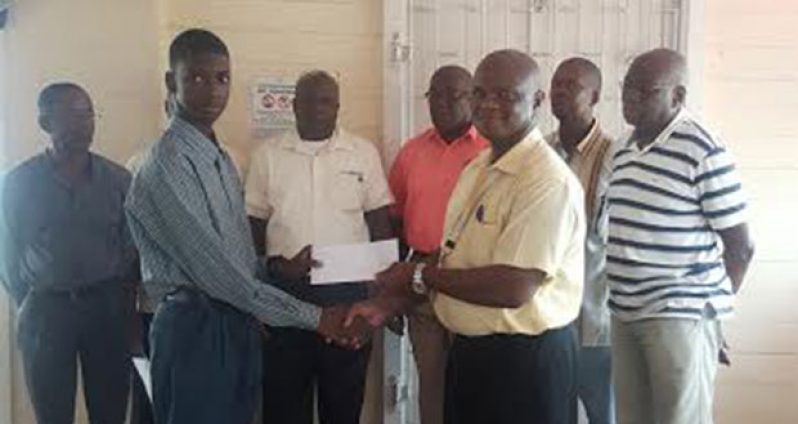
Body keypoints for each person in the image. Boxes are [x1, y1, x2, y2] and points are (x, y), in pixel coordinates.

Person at [124, 29, 364, 424]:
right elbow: (217, 275)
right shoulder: (166, 165)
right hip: (194, 329)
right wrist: (317, 318)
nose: (213, 91)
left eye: (222, 78)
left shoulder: (219, 159)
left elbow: (234, 258)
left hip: (235, 322)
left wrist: (274, 268)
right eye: (196, 78)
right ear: (172, 83)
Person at [348, 49, 586, 424]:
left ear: (538, 101)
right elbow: (452, 256)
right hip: (473, 355)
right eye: (480, 93)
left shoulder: (546, 180)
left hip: (525, 362)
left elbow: (515, 286)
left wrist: (417, 276)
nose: (489, 104)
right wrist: (389, 305)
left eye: (506, 95)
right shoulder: (480, 167)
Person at [609, 48, 754, 424]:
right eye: (627, 88)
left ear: (678, 96)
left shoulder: (701, 147)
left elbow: (740, 246)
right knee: (630, 418)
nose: (631, 98)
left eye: (645, 90)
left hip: (678, 315)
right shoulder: (622, 150)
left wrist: (708, 311)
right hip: (624, 312)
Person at [245, 70, 393, 424]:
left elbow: (379, 222)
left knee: (342, 405)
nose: (316, 108)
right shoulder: (267, 155)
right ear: (293, 106)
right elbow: (253, 227)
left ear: (338, 107)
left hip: (347, 300)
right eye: (308, 100)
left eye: (326, 100)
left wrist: (382, 295)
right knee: (283, 405)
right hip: (283, 297)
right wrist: (254, 296)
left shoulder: (362, 153)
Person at [0, 82, 138, 424]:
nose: (84, 122)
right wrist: (30, 299)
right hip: (46, 312)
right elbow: (7, 253)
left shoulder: (119, 180)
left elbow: (131, 248)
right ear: (45, 123)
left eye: (89, 113)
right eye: (72, 114)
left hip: (107, 312)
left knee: (110, 411)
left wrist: (121, 304)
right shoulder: (17, 183)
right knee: (52, 413)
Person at [387, 65, 488, 424]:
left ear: (473, 97)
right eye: (435, 95)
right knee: (430, 388)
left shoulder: (492, 152)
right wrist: (392, 294)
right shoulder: (411, 153)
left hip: (473, 282)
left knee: (476, 385)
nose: (443, 103)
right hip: (419, 283)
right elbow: (394, 221)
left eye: (454, 94)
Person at [547, 57, 617, 424]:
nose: (559, 91)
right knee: (554, 413)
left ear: (596, 95)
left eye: (571, 85)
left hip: (596, 319)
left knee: (603, 413)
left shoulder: (616, 157)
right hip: (548, 319)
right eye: (556, 84)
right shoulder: (540, 154)